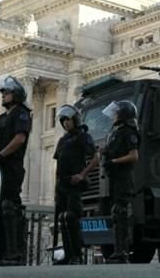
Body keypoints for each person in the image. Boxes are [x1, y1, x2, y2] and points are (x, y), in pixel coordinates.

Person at [0, 75, 32, 266]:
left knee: (9, 208)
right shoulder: (1, 117)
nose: (3, 95)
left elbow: (19, 139)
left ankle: (14, 252)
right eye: (2, 92)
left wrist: (1, 155)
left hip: (11, 167)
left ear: (17, 94)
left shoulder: (21, 113)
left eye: (7, 92)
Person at [53, 104, 99, 265]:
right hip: (62, 185)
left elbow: (96, 157)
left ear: (75, 120)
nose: (65, 123)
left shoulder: (84, 136)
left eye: (68, 119)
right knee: (62, 219)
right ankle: (67, 253)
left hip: (75, 184)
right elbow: (58, 164)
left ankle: (77, 255)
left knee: (72, 218)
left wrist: (82, 175)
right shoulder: (62, 140)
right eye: (63, 120)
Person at [102, 100, 140, 264]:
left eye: (116, 112)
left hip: (124, 177)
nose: (113, 116)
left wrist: (115, 161)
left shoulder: (129, 132)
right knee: (116, 213)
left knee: (120, 211)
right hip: (115, 177)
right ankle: (119, 250)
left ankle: (122, 251)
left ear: (124, 114)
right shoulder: (115, 132)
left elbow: (134, 156)